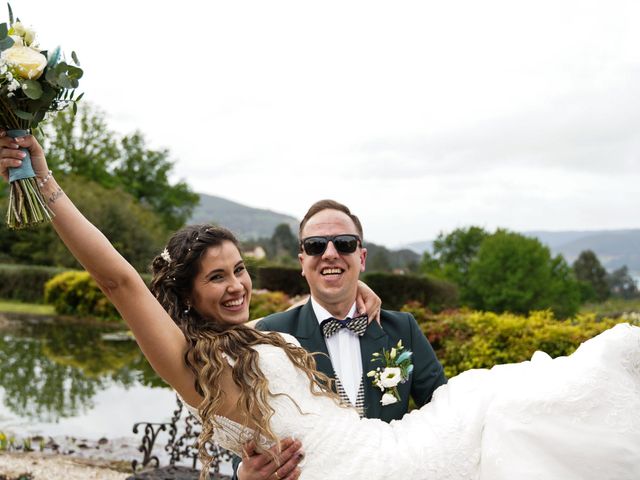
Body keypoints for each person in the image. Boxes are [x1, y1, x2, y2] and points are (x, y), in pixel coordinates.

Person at [3, 134, 639, 480]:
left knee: (536, 396)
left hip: (396, 450)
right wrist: (43, 176)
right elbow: (118, 280)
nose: (236, 285)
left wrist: (353, 291)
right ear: (187, 296)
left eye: (241, 269)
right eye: (216, 278)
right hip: (360, 472)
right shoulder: (189, 362)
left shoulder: (259, 336)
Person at [234, 200, 447, 480]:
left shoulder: (401, 330)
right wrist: (244, 477)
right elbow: (247, 441)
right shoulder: (270, 337)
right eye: (315, 245)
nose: (330, 253)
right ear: (302, 262)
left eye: (344, 243)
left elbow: (445, 414)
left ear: (362, 257)